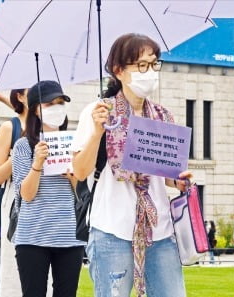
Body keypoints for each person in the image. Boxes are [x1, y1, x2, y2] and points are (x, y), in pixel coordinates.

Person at [72, 33, 193, 297]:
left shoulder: (162, 116)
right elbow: (80, 172)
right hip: (113, 231)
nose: (149, 72)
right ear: (119, 71)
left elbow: (168, 174)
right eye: (141, 65)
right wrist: (96, 132)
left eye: (154, 64)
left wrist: (180, 179)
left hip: (159, 231)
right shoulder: (98, 112)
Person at [11, 80, 84, 297]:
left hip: (69, 235)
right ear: (35, 110)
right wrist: (37, 164)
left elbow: (82, 193)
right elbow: (26, 195)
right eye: (50, 103)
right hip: (33, 236)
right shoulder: (23, 146)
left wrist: (73, 176)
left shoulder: (75, 142)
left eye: (60, 102)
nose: (57, 108)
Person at [0, 88, 28, 297]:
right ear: (20, 97)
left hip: (47, 201)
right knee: (13, 265)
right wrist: (18, 156)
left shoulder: (51, 126)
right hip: (16, 201)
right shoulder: (9, 127)